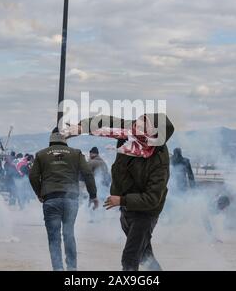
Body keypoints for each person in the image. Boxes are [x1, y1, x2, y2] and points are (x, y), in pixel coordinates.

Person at [63, 113, 174, 271]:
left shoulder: (159, 160)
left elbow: (153, 198)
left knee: (130, 258)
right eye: (139, 121)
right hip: (127, 208)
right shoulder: (131, 131)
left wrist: (122, 200)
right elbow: (104, 121)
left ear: (153, 136)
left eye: (143, 127)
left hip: (145, 213)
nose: (136, 127)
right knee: (144, 255)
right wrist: (82, 127)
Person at [29, 128, 99, 271]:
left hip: (51, 199)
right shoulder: (76, 153)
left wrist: (39, 193)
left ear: (51, 138)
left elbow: (33, 176)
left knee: (54, 238)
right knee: (69, 234)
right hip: (71, 199)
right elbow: (88, 174)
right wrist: (93, 195)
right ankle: (72, 269)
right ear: (65, 139)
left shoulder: (41, 155)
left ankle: (58, 269)